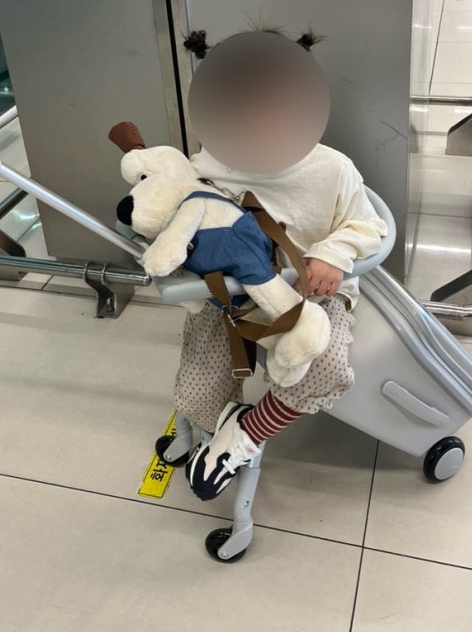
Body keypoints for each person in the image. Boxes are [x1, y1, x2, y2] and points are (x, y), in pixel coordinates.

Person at [160, 30, 388, 501]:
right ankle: (213, 426)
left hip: (311, 296)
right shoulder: (204, 167)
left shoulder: (333, 169)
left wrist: (333, 252)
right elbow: (180, 221)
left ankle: (242, 436)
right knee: (200, 389)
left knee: (325, 369)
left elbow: (369, 225)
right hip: (228, 299)